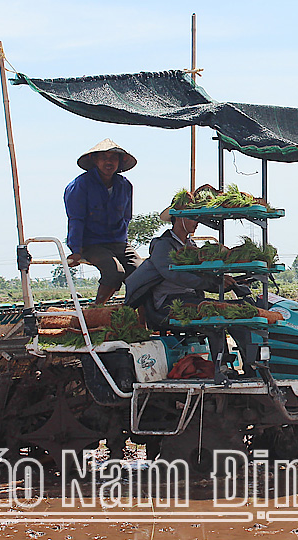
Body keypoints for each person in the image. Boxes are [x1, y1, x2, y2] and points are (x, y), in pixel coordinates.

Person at [124, 208, 257, 384]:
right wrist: (214, 284)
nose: (196, 222)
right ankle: (221, 369)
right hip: (169, 303)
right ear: (178, 218)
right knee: (214, 318)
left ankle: (251, 368)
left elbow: (201, 274)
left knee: (237, 314)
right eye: (192, 217)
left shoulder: (191, 246)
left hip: (192, 299)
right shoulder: (163, 245)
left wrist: (224, 280)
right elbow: (176, 275)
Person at [64, 139, 143, 305]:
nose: (109, 162)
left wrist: (124, 245)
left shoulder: (125, 185)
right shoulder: (80, 185)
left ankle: (135, 315)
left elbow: (126, 217)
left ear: (120, 162)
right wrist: (76, 250)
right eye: (104, 158)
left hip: (118, 242)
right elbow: (76, 219)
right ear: (95, 160)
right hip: (92, 243)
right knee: (115, 272)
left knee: (141, 272)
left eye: (113, 158)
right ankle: (97, 308)